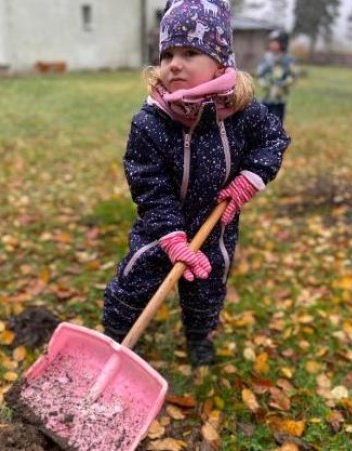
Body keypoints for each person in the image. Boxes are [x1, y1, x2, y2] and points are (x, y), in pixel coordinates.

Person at [101, 0, 291, 366]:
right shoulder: (151, 122)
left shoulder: (244, 112)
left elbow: (274, 140)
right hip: (160, 229)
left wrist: (249, 180)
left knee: (206, 288)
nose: (174, 63)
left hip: (215, 228)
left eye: (190, 52)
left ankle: (199, 338)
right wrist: (170, 236)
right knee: (135, 278)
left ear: (220, 62)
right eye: (167, 53)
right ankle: (116, 337)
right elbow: (147, 181)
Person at [256, 30, 299, 125]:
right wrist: (264, 84)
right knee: (263, 122)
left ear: (283, 43)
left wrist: (282, 85)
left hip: (279, 99)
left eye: (275, 42)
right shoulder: (266, 58)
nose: (272, 45)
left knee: (277, 123)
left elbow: (293, 76)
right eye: (271, 42)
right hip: (266, 97)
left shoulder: (288, 60)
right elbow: (260, 74)